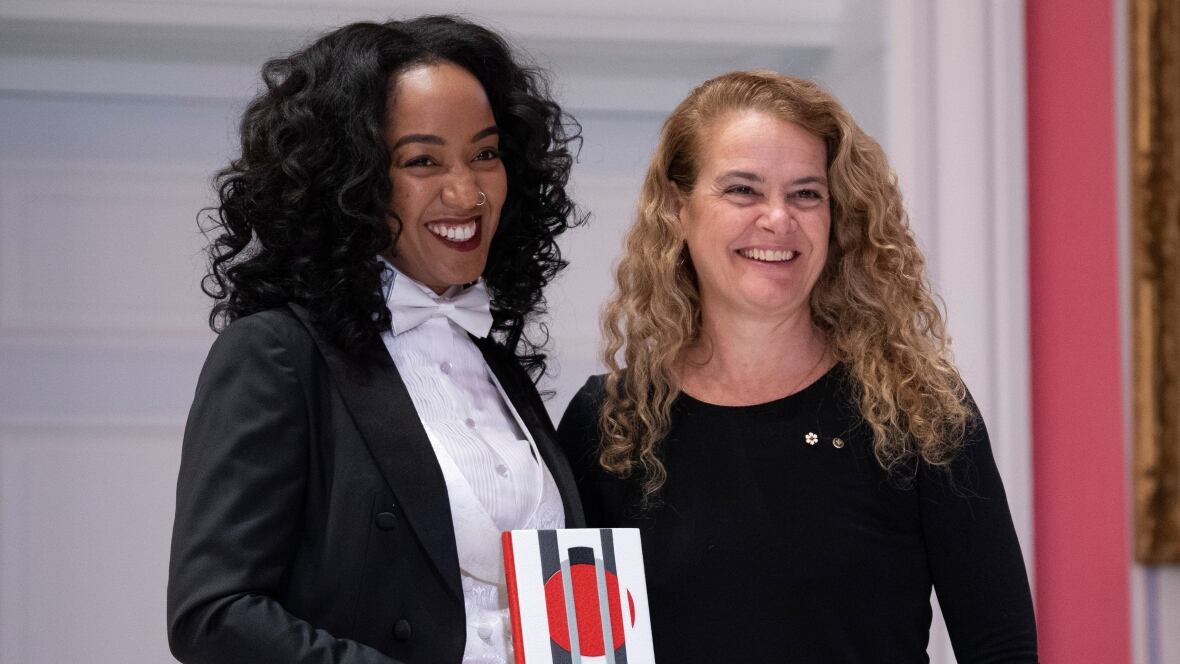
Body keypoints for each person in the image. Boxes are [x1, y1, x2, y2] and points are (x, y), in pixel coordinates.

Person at [558, 70, 1038, 662]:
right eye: (743, 190)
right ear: (678, 210)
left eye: (806, 194)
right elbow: (574, 648)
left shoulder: (918, 408)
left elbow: (1001, 649)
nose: (778, 218)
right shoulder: (608, 423)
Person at [167, 16, 585, 664]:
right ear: (349, 181)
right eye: (422, 161)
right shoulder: (277, 355)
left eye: (485, 154)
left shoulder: (498, 369)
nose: (467, 191)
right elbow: (215, 615)